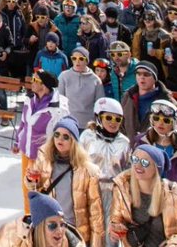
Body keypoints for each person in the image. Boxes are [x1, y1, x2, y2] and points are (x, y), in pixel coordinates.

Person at [24, 116, 105, 247]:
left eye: (66, 136)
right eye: (57, 134)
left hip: (75, 230)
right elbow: (34, 188)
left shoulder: (88, 170)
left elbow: (95, 211)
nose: (60, 139)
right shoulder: (44, 157)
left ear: (74, 141)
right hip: (49, 228)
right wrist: (30, 180)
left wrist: (96, 244)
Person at [109, 145, 177, 247]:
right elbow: (116, 221)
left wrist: (175, 244)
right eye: (135, 159)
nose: (138, 165)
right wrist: (113, 230)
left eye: (144, 162)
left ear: (156, 168)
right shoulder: (123, 189)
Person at [16, 69, 71, 213]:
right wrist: (17, 141)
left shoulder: (58, 108)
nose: (32, 83)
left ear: (45, 86)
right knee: (26, 188)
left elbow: (62, 134)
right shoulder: (29, 99)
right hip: (26, 152)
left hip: (43, 157)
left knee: (42, 190)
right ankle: (28, 217)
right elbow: (23, 123)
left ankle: (41, 219)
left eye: (36, 81)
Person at [80, 97, 131, 247]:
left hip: (114, 191)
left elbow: (128, 169)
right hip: (91, 188)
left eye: (118, 119)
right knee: (91, 228)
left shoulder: (124, 142)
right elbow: (78, 162)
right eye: (108, 117)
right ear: (98, 117)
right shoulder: (87, 137)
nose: (113, 122)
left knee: (111, 231)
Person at [0, 192, 87, 247]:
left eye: (62, 224)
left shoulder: (74, 243)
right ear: (39, 226)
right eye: (52, 226)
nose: (60, 231)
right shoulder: (11, 236)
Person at [60, 47, 106, 128]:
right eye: (74, 58)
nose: (77, 61)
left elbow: (100, 105)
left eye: (81, 58)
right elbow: (59, 101)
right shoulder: (64, 76)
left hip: (88, 125)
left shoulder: (96, 80)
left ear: (87, 61)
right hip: (68, 123)